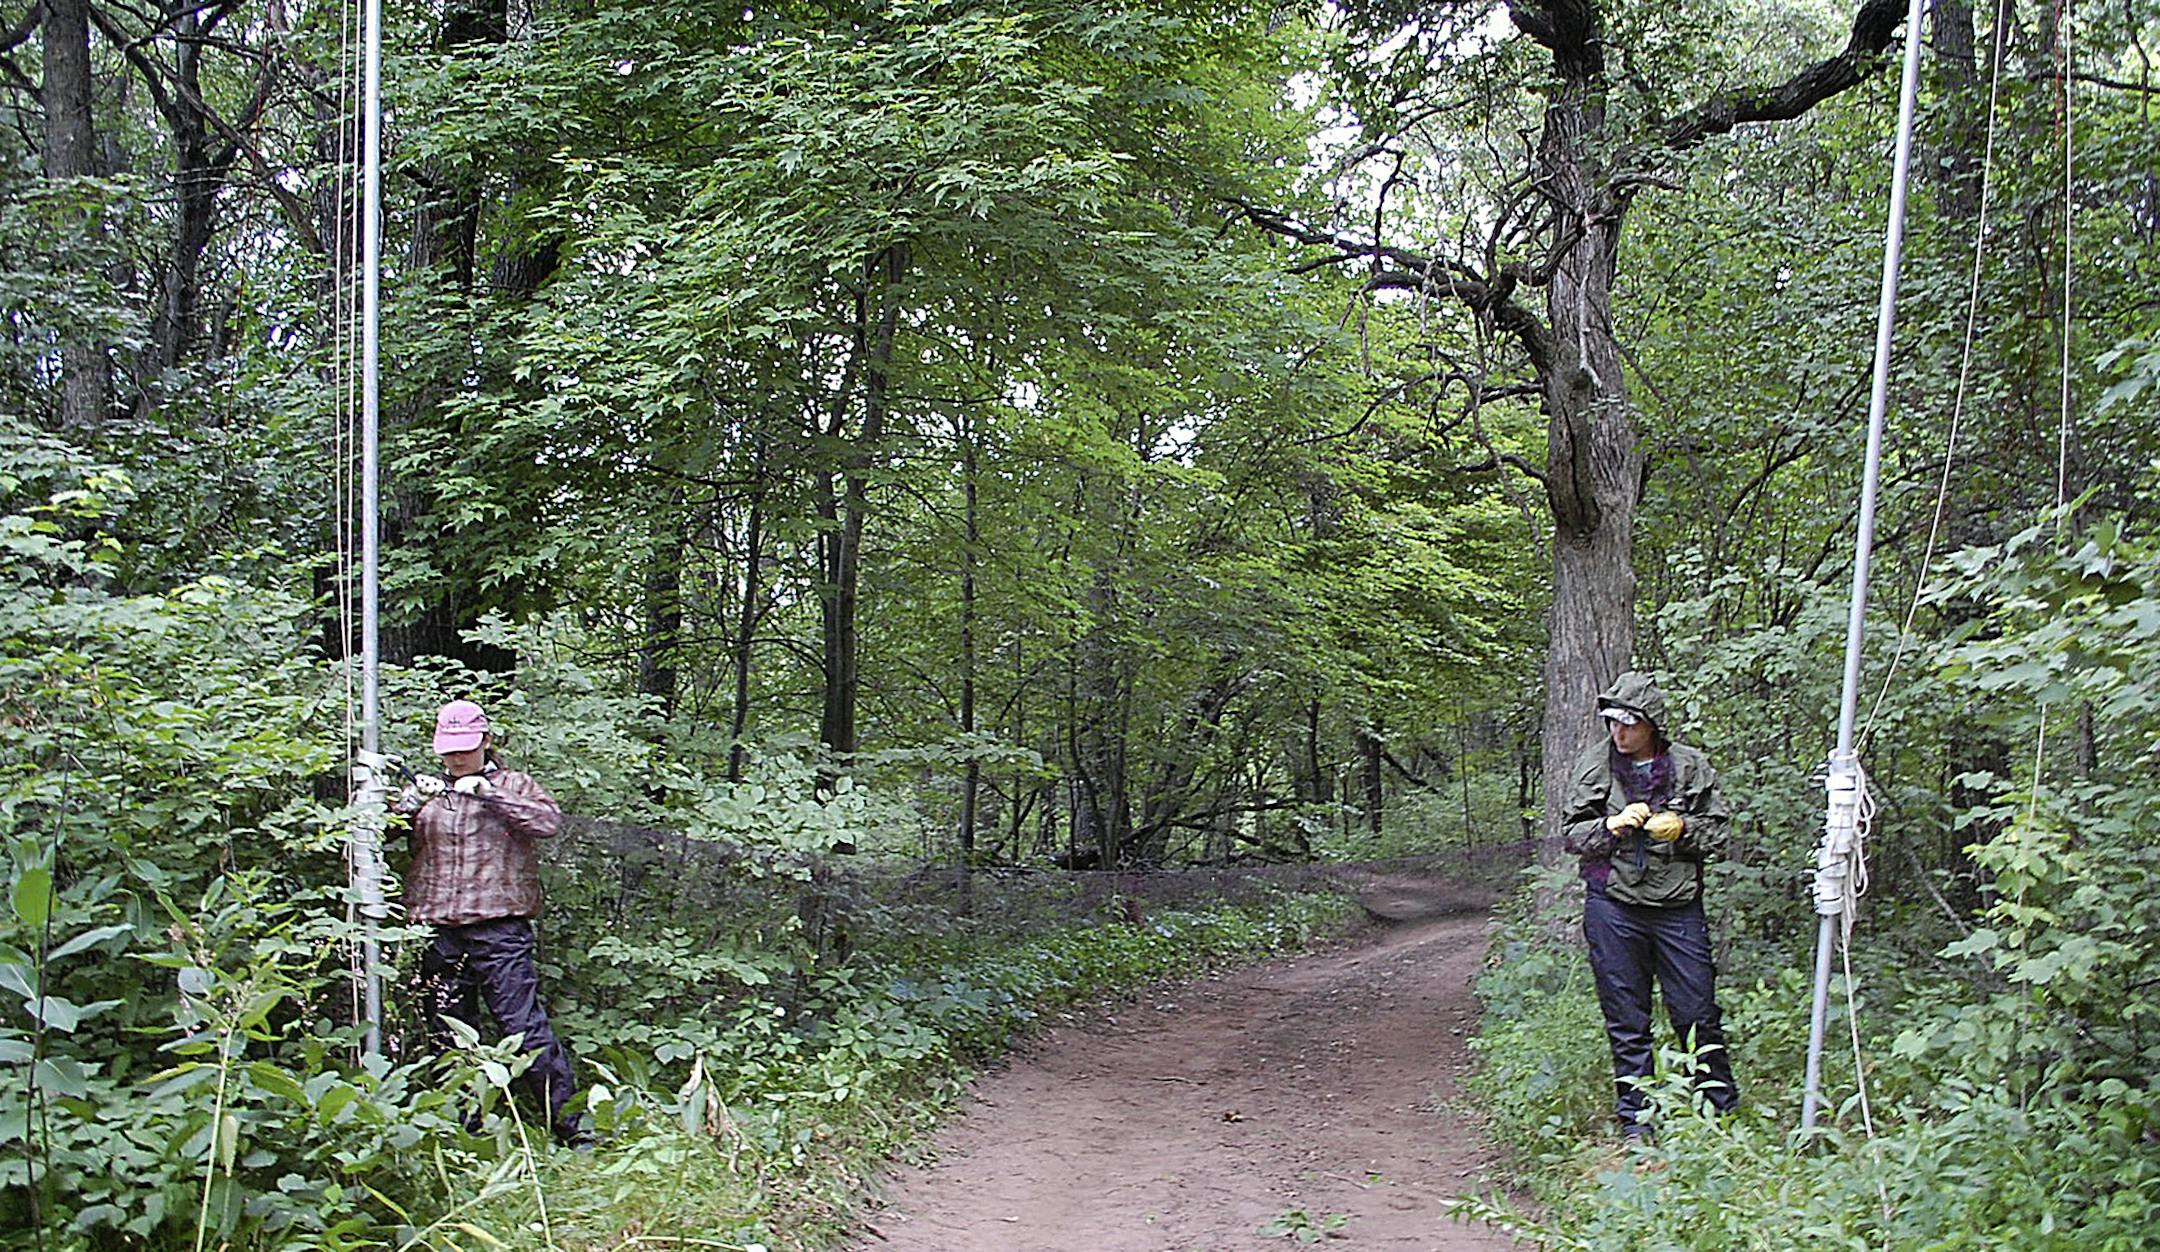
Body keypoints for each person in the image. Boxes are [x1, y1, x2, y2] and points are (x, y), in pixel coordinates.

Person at [392, 699, 585, 1144]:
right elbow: (372, 837)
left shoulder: (514, 784)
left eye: (466, 747)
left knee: (523, 1027)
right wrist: (406, 805)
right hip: (437, 929)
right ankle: (467, 1130)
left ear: (486, 741)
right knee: (449, 1032)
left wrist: (489, 794)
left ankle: (571, 1127)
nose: (457, 757)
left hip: (500, 928)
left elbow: (547, 822)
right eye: (449, 749)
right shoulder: (427, 794)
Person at [1559, 671, 1738, 1136]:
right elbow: (1571, 835)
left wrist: (1684, 829)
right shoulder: (1595, 767)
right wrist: (1612, 826)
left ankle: (1718, 1114)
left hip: (1677, 906)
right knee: (1626, 1016)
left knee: (1696, 1011)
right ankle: (1638, 1124)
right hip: (1613, 905)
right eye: (1612, 722)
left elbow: (1720, 831)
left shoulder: (1690, 766)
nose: (1619, 732)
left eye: (1629, 723)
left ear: (1651, 724)